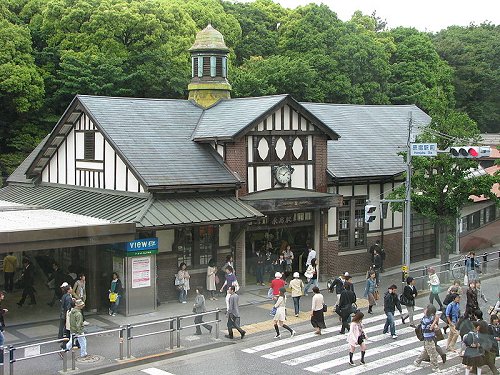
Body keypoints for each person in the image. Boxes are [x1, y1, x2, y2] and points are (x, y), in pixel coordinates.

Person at [413, 304, 442, 372]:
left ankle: (417, 361)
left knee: (426, 351)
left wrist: (435, 323)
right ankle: (435, 367)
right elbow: (430, 328)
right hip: (428, 338)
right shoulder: (425, 319)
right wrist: (435, 321)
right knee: (433, 354)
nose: (424, 310)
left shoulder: (429, 317)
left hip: (431, 337)